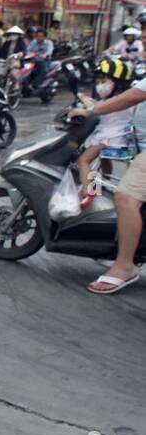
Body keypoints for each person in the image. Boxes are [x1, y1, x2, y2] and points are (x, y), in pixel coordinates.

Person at [69, 73, 146, 293]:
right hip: (129, 142)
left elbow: (131, 97)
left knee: (125, 196)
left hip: (114, 138)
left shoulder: (126, 94)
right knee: (101, 166)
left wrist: (90, 109)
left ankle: (124, 267)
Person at [75, 59, 138, 206]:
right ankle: (105, 182)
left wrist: (84, 106)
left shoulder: (118, 100)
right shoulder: (122, 98)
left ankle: (89, 192)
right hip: (118, 136)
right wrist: (87, 100)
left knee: (83, 161)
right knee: (103, 161)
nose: (100, 85)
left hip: (111, 136)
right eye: (98, 81)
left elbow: (99, 108)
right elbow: (101, 105)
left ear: (119, 81)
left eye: (105, 80)